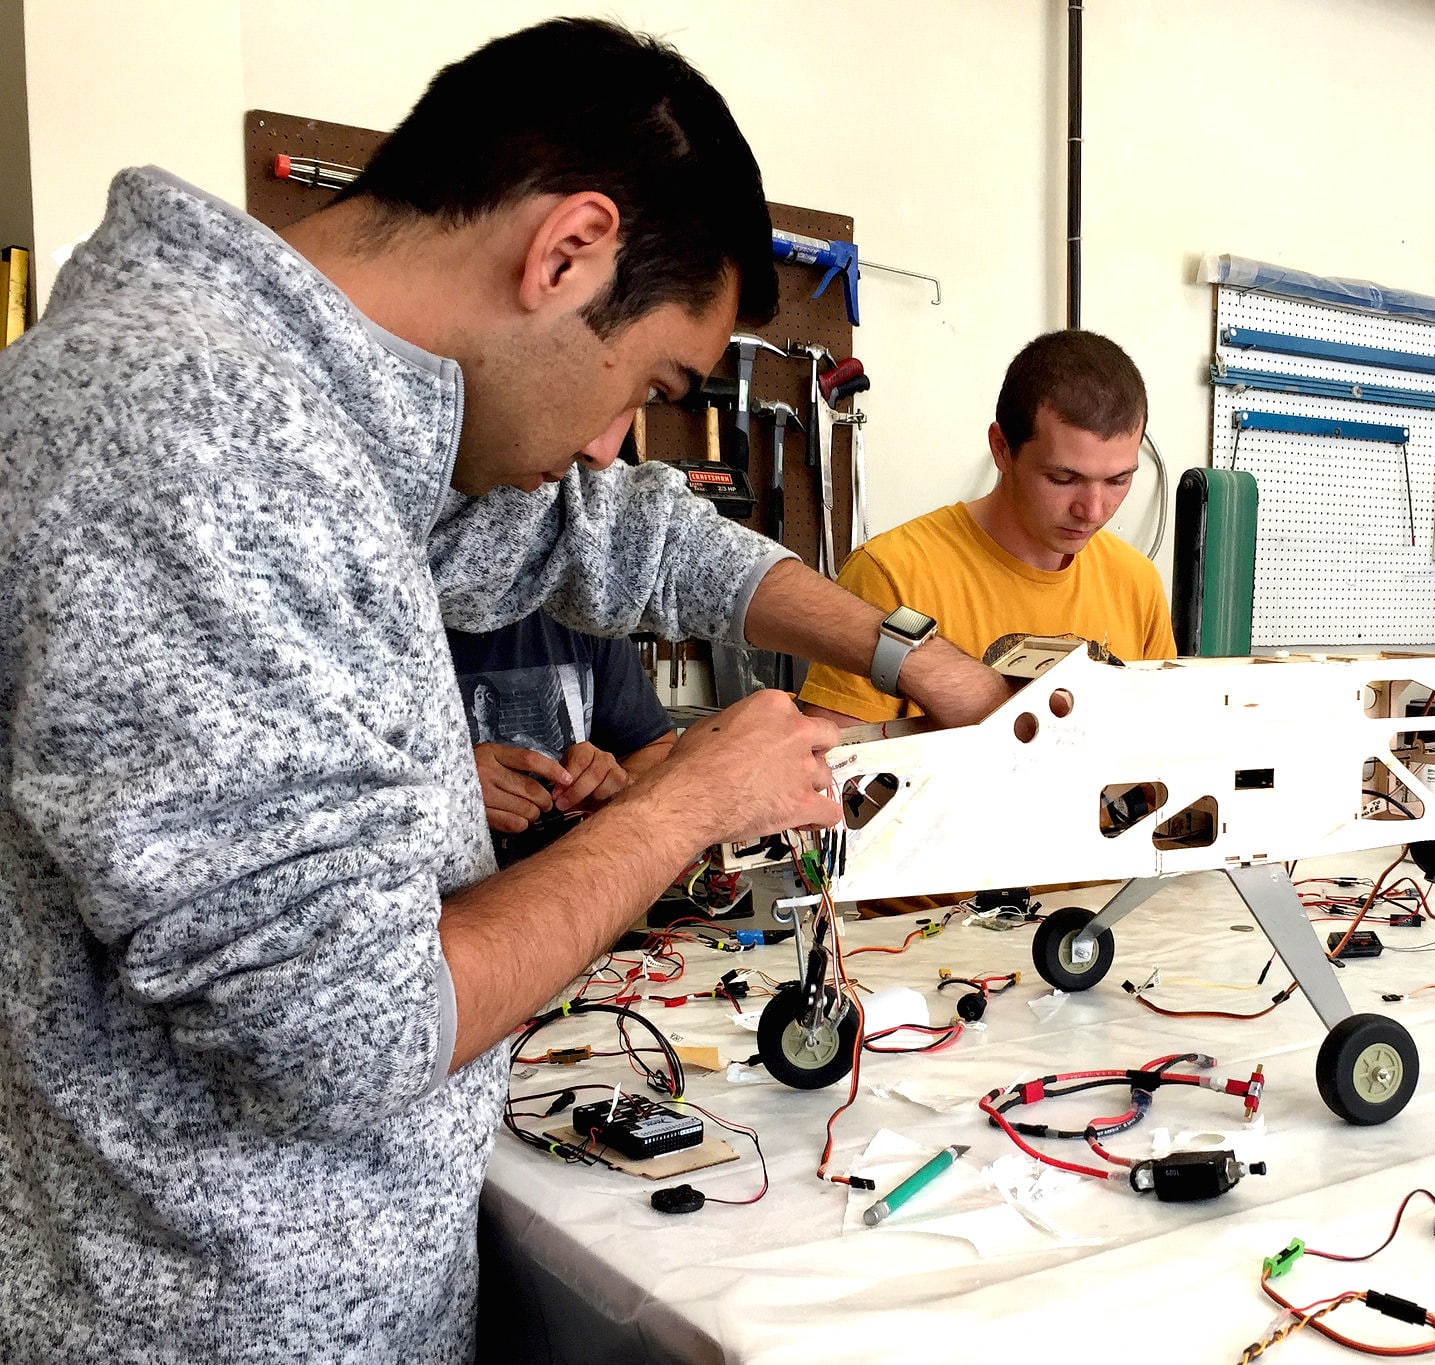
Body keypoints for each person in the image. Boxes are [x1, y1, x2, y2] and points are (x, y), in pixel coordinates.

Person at [0, 20, 1006, 1363]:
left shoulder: (329, 415)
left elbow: (631, 537)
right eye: (648, 385)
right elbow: (344, 1035)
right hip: (219, 1325)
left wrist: (910, 653)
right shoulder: (196, 433)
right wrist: (679, 805)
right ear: (565, 251)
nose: (613, 441)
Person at [800, 329, 1176, 726]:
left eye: (1118, 480)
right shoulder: (893, 575)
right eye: (1063, 479)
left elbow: (1159, 748)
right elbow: (839, 774)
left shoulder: (1137, 582)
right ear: (1001, 448)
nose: (1093, 511)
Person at [447, 611, 677, 865]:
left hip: (577, 882)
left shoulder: (582, 608)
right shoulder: (402, 611)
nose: (486, 703)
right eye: (480, 697)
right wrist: (450, 787)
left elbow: (657, 748)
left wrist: (623, 784)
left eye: (490, 697)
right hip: (436, 897)